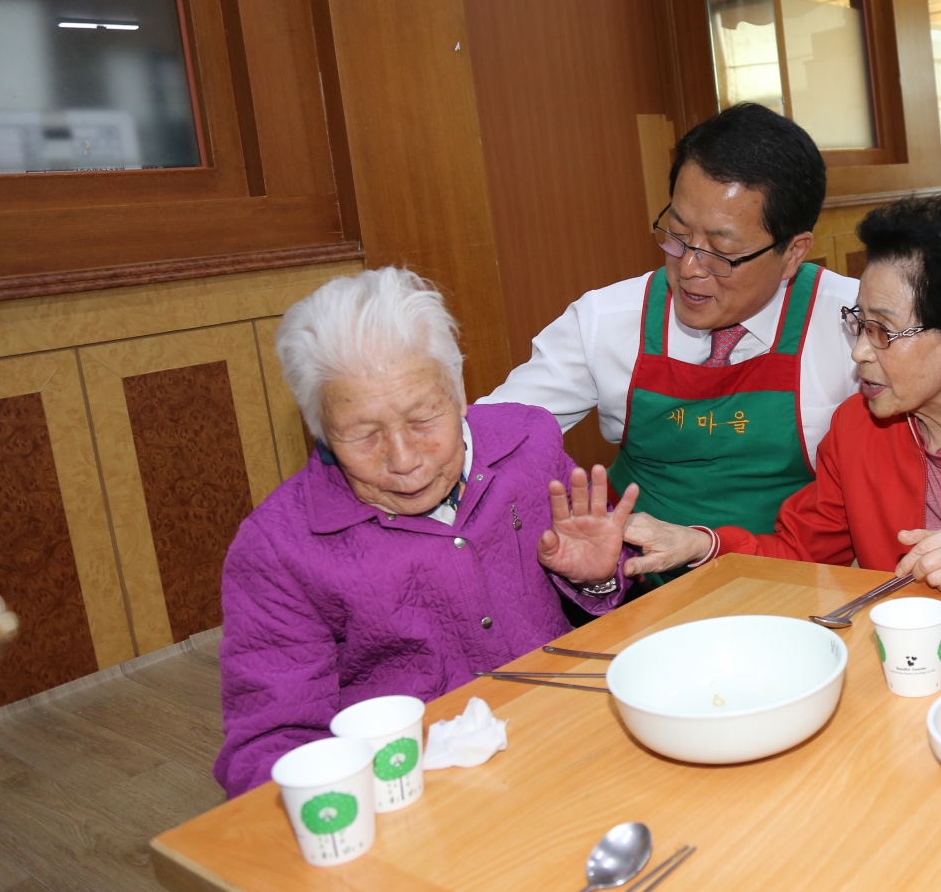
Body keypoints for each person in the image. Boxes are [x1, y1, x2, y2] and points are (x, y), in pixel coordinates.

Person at [214, 268, 635, 795]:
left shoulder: (528, 444)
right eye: (362, 435)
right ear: (318, 427)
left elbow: (608, 603)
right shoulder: (279, 547)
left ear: (459, 395)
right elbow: (271, 743)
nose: (404, 460)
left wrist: (596, 580)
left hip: (574, 739)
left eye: (423, 420)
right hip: (417, 791)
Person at [625, 196, 941, 595]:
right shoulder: (856, 429)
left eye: (883, 331)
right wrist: (700, 542)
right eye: (858, 323)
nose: (859, 355)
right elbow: (799, 552)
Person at [479, 104, 859, 587]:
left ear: (793, 253)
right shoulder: (609, 320)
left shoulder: (856, 325)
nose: (689, 269)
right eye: (677, 235)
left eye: (722, 252)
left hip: (792, 584)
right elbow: (493, 437)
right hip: (635, 588)